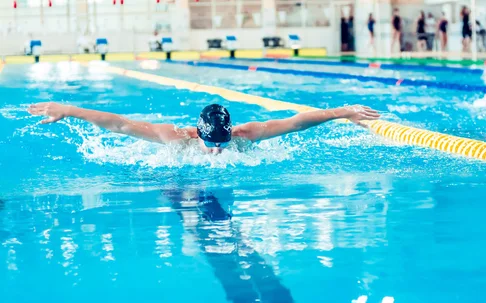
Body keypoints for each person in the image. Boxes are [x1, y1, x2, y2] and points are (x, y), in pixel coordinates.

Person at [26, 103, 381, 155]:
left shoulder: (246, 134)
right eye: (212, 143)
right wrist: (70, 110)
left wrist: (342, 112)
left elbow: (295, 123)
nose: (217, 151)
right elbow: (120, 125)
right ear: (197, 134)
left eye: (221, 143)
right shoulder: (175, 137)